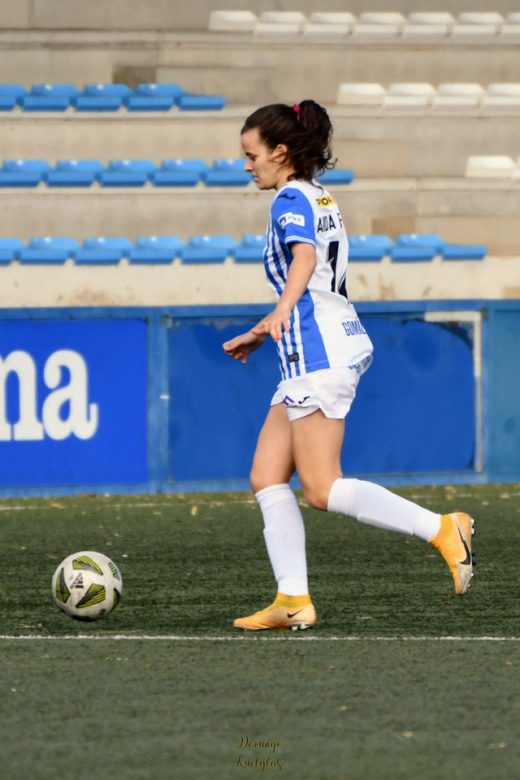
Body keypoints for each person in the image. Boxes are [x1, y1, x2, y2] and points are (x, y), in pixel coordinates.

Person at [223, 100, 475, 631]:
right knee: (267, 474)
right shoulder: (320, 194)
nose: (247, 165)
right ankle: (292, 599)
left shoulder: (290, 197)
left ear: (281, 152)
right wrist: (263, 330)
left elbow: (306, 260)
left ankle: (443, 527)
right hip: (319, 346)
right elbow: (314, 274)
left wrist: (280, 311)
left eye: (252, 155)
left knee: (320, 487)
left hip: (318, 353)